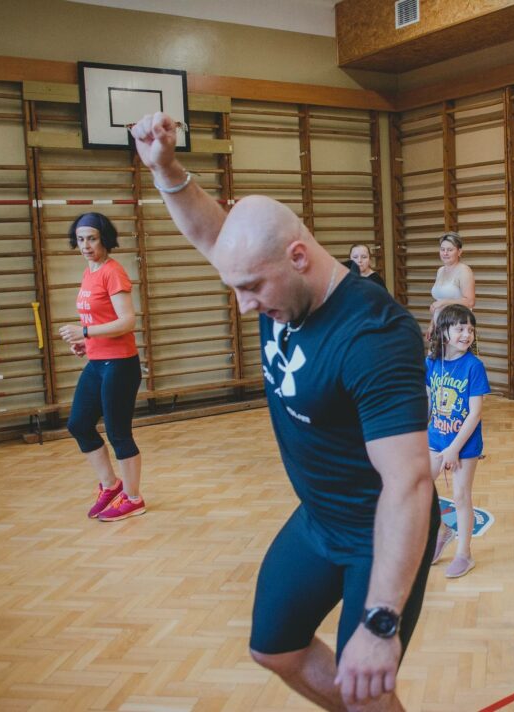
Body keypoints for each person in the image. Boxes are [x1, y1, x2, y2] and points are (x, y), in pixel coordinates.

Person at [130, 112, 436, 711]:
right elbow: (209, 233)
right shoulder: (267, 274)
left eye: (252, 288)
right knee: (274, 648)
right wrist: (165, 168)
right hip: (319, 519)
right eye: (235, 288)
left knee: (367, 692)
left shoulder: (374, 335)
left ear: (299, 257)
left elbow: (410, 481)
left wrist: (380, 623)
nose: (244, 307)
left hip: (378, 533)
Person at [58, 213, 145, 522]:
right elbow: (98, 319)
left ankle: (133, 498)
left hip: (120, 364)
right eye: (80, 239)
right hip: (98, 361)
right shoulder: (89, 272)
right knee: (79, 424)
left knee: (118, 432)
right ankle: (111, 485)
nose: (85, 245)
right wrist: (87, 343)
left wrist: (84, 332)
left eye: (92, 238)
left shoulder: (112, 272)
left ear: (104, 238)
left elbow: (126, 321)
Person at [427, 305, 489, 579]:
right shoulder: (432, 363)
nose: (467, 334)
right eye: (461, 328)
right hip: (435, 438)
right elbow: (427, 401)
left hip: (464, 443)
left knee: (461, 496)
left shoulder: (474, 366)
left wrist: (454, 449)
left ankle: (465, 553)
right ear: (443, 331)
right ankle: (441, 529)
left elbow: (475, 413)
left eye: (471, 329)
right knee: (422, 489)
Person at [430, 232, 475, 332]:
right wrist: (432, 325)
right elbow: (438, 301)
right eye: (442, 249)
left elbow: (470, 302)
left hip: (458, 328)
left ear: (459, 252)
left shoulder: (464, 270)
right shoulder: (440, 270)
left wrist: (444, 302)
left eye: (450, 250)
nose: (445, 253)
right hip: (440, 325)